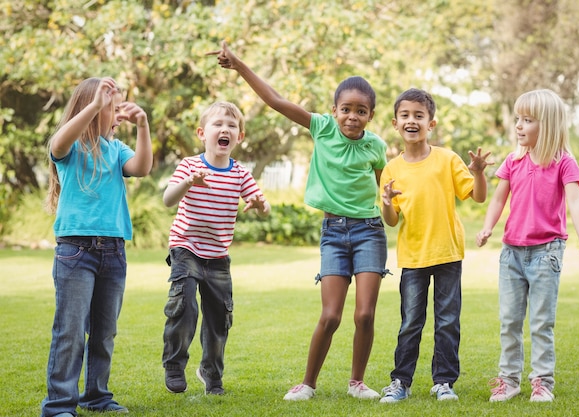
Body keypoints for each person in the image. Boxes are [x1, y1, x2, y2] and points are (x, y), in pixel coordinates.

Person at [209, 41, 389, 401]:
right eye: (346, 109)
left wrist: (391, 204)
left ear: (371, 114)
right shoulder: (321, 128)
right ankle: (307, 383)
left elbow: (386, 191)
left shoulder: (377, 147)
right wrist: (240, 65)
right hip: (334, 233)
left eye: (361, 111)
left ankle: (357, 383)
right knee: (331, 315)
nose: (353, 117)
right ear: (333, 110)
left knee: (365, 315)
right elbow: (276, 101)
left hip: (370, 231)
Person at [476, 88, 579, 403]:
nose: (518, 125)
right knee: (509, 321)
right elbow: (499, 197)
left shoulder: (563, 162)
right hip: (511, 254)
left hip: (547, 253)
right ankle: (509, 380)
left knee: (542, 323)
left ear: (547, 125)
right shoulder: (513, 160)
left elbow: (575, 201)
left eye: (527, 120)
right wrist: (487, 227)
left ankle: (542, 383)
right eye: (518, 118)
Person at [41, 77, 153, 417]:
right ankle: (60, 405)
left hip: (114, 251)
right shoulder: (72, 146)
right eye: (113, 108)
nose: (119, 115)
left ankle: (97, 396)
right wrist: (93, 105)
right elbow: (57, 145)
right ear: (91, 108)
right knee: (71, 331)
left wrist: (143, 125)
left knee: (104, 333)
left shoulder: (117, 150)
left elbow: (143, 168)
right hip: (76, 252)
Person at [378, 88, 492, 403]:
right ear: (395, 123)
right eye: (405, 115)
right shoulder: (393, 169)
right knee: (411, 322)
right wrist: (387, 202)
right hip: (413, 257)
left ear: (432, 124)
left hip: (448, 254)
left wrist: (479, 173)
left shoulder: (447, 159)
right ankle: (400, 381)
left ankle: (443, 382)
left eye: (419, 115)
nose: (412, 121)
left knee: (447, 321)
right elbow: (391, 220)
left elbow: (478, 196)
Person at [161, 101, 271, 395]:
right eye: (218, 124)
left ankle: (211, 372)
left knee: (219, 320)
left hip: (218, 256)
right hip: (186, 247)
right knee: (183, 307)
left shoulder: (240, 173)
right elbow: (168, 199)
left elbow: (264, 208)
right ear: (202, 133)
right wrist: (188, 182)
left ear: (240, 137)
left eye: (232, 126)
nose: (225, 129)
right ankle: (174, 364)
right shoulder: (189, 165)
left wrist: (260, 204)